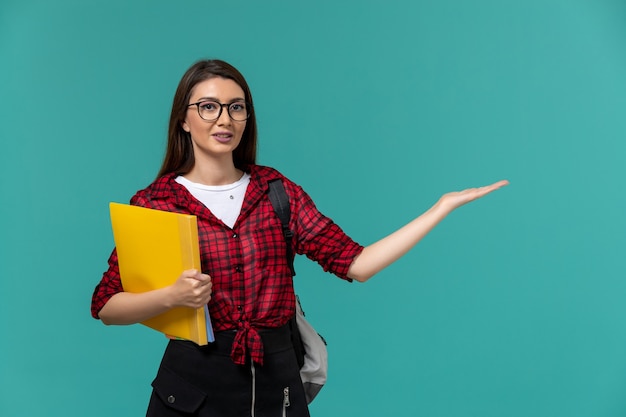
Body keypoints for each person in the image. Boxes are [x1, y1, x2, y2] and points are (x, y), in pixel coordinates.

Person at [91, 59, 508, 417]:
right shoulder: (156, 202)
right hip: (190, 392)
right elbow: (107, 305)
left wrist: (440, 208)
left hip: (278, 389)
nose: (224, 119)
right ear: (184, 119)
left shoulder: (277, 192)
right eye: (208, 107)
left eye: (237, 108)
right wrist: (172, 297)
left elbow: (356, 264)